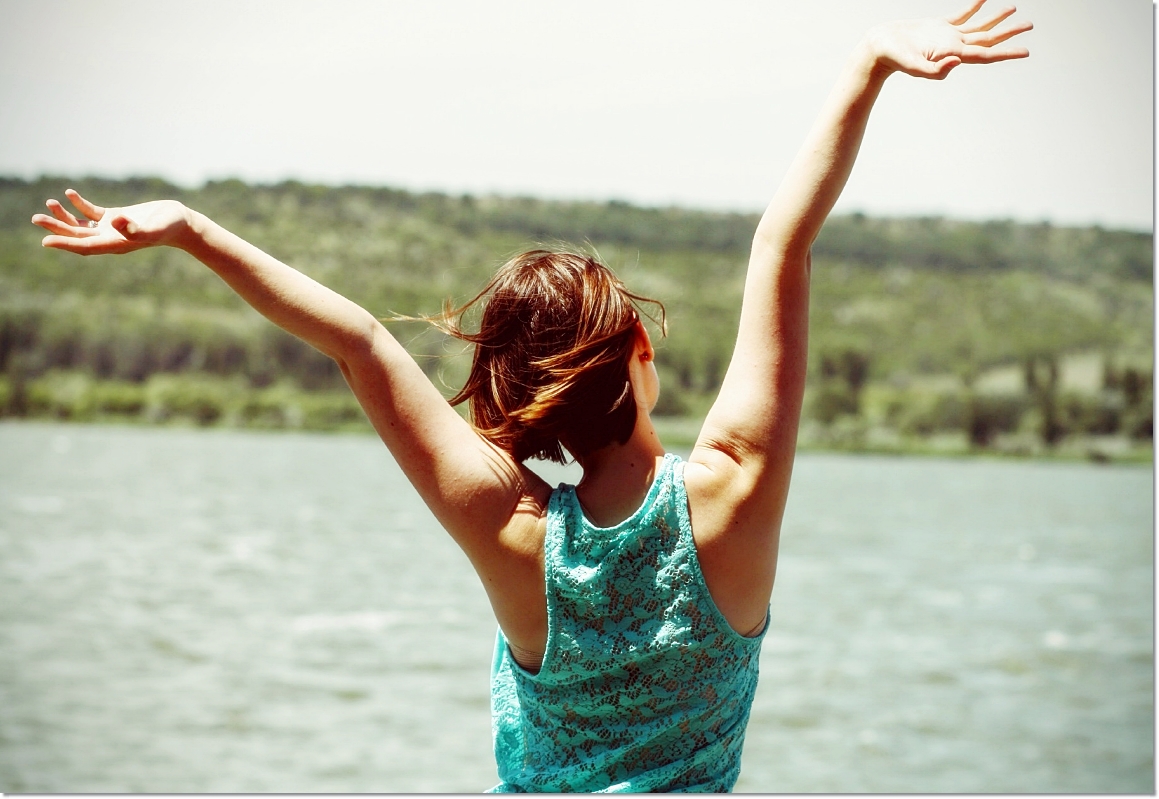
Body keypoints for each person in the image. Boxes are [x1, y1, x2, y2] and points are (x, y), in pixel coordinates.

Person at [32, 1, 1030, 791]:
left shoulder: (509, 529)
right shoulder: (730, 494)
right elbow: (783, 242)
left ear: (506, 399)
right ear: (638, 345)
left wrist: (191, 229)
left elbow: (355, 338)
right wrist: (868, 64)